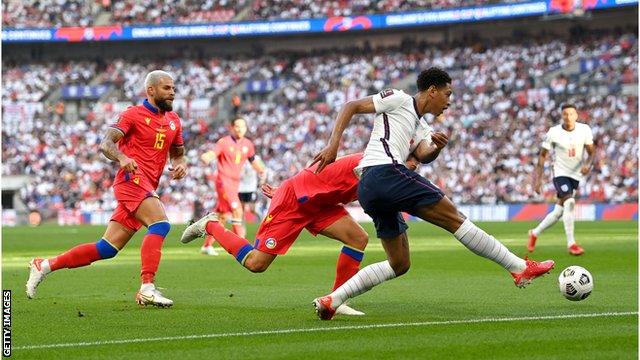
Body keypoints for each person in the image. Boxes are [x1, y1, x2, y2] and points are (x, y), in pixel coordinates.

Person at [310, 67, 555, 320]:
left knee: (399, 264)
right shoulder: (399, 98)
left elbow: (423, 154)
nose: (449, 101)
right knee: (455, 218)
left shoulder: (422, 126)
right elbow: (351, 105)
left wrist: (436, 148)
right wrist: (333, 144)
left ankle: (333, 300)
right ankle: (519, 267)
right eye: (447, 94)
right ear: (432, 90)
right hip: (384, 172)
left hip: (370, 189)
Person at [182, 153, 427, 316]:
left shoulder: (385, 170)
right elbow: (325, 163)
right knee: (257, 263)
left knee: (358, 238)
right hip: (295, 202)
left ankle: (337, 298)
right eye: (412, 161)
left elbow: (323, 167)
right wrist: (291, 186)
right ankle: (211, 226)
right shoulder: (371, 164)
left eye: (417, 164)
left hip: (319, 204)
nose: (414, 167)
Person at [25, 70, 187, 307]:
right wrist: (121, 158)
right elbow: (106, 143)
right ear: (150, 90)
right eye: (166, 88)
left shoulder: (174, 121)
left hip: (147, 185)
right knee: (160, 224)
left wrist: (180, 165)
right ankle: (147, 287)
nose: (172, 92)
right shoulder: (133, 115)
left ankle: (45, 265)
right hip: (130, 181)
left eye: (173, 88)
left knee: (106, 248)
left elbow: (178, 154)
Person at [529, 104, 595, 255]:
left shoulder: (584, 130)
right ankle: (571, 244)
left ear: (576, 115)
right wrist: (538, 179)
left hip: (576, 174)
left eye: (571, 114)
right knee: (570, 202)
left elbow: (592, 152)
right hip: (560, 172)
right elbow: (542, 155)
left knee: (558, 212)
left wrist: (588, 164)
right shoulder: (554, 132)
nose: (568, 117)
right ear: (561, 116)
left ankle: (534, 233)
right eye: (565, 114)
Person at [200, 117, 266, 256]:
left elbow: (253, 160)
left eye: (242, 126)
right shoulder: (224, 142)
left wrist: (262, 170)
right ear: (231, 127)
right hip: (223, 181)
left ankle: (207, 246)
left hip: (235, 183)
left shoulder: (248, 144)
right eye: (237, 126)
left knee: (222, 216)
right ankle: (243, 247)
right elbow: (214, 152)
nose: (240, 129)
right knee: (237, 211)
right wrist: (207, 156)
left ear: (246, 128)